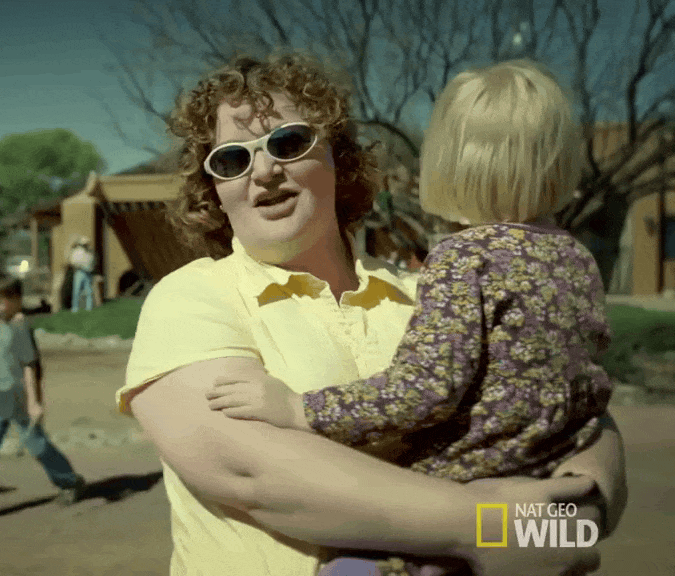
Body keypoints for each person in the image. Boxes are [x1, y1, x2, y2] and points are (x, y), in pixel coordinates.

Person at [117, 54, 628, 576]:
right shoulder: (192, 298)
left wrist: (573, 520)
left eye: (288, 143)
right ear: (214, 188)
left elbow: (565, 404)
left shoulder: (426, 288)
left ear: (338, 158)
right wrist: (487, 527)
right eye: (231, 160)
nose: (265, 171)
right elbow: (250, 472)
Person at [0, 278, 85, 521]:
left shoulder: (21, 327)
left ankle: (69, 481)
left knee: (38, 446)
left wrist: (34, 402)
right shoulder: (2, 324)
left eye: (0, 302)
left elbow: (30, 367)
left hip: (19, 398)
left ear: (16, 300)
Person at [69, 236, 95, 312]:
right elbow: (73, 261)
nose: (86, 245)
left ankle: (89, 307)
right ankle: (75, 308)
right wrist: (79, 266)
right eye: (85, 243)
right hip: (79, 272)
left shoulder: (89, 252)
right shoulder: (76, 251)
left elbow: (91, 261)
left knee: (88, 291)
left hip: (88, 272)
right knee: (76, 290)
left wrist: (90, 268)